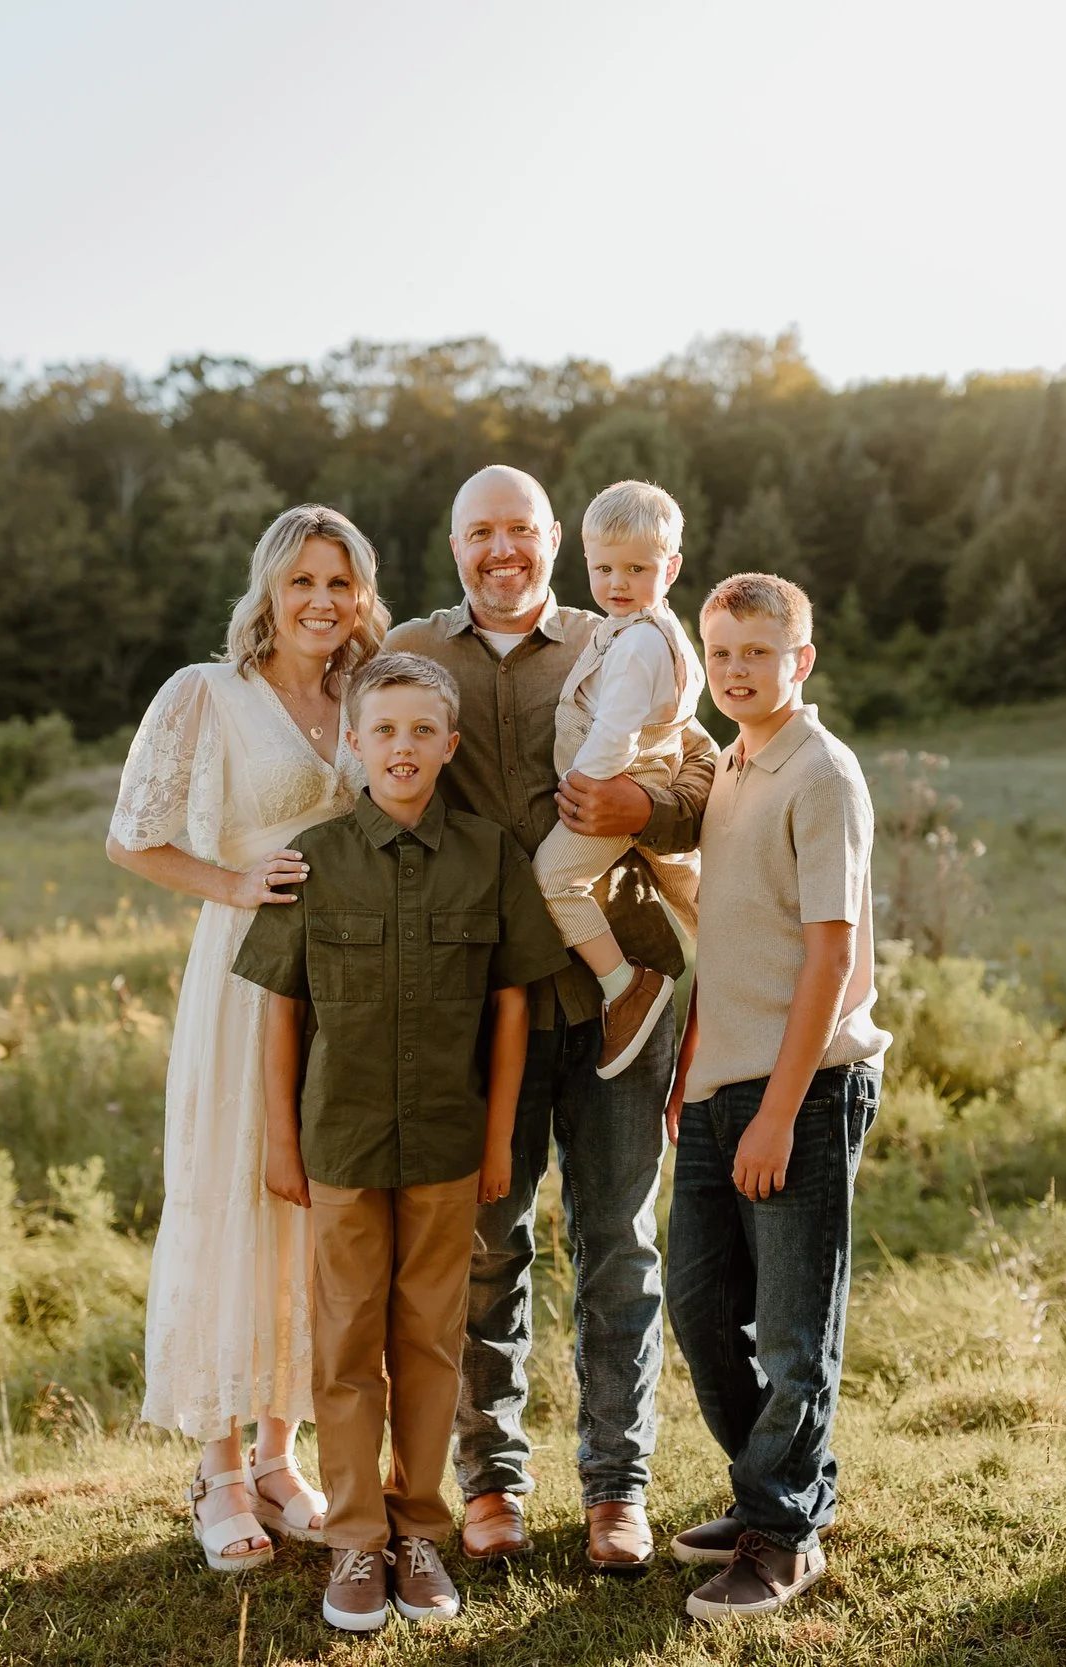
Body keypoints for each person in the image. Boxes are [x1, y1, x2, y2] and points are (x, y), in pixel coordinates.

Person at [384, 464, 715, 1575]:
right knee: (489, 1240)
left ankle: (617, 1487)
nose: (502, 550)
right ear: (452, 542)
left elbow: (703, 770)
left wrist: (643, 803)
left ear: (553, 541)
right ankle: (492, 1480)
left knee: (618, 1241)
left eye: (520, 530)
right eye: (480, 531)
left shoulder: (615, 635)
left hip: (621, 989)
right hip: (485, 1001)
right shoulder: (415, 648)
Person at [234, 653, 569, 1633]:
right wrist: (280, 1140)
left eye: (422, 730)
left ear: (449, 744)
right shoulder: (316, 856)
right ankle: (353, 1542)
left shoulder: (489, 854)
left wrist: (499, 1134)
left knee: (428, 1341)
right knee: (343, 1346)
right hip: (338, 1142)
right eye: (382, 729)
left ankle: (417, 1530)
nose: (402, 746)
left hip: (448, 1141)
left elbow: (511, 1007)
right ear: (355, 741)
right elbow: (279, 1014)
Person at [104, 504, 389, 1572]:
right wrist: (231, 880)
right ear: (268, 590)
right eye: (304, 581)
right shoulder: (204, 692)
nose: (322, 601)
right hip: (241, 976)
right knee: (229, 1191)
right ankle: (217, 1469)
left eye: (341, 582)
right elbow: (132, 836)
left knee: (318, 1207)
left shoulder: (368, 694)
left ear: (363, 593)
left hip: (350, 985)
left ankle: (281, 1456)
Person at [662, 572, 893, 1621]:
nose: (738, 669)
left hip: (799, 1083)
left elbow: (829, 955)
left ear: (800, 659)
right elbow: (724, 922)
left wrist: (775, 1108)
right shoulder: (732, 766)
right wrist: (692, 1063)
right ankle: (782, 1485)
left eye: (760, 650)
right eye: (722, 653)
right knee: (702, 1302)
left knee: (795, 1327)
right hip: (718, 1078)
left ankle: (783, 1531)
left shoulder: (821, 773)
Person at [529, 479, 706, 1079]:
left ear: (671, 568)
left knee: (554, 877)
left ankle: (625, 986)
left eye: (637, 568)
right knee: (695, 896)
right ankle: (755, 964)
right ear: (585, 561)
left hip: (616, 788)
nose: (618, 584)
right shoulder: (656, 633)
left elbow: (616, 736)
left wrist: (582, 790)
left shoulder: (636, 647)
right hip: (648, 778)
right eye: (605, 568)